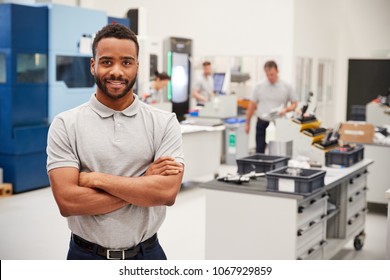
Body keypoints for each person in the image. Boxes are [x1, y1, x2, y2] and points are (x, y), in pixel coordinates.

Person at [46, 23, 185, 260]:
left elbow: (166, 193)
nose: (117, 72)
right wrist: (143, 183)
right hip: (86, 256)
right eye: (107, 61)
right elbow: (68, 201)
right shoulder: (66, 124)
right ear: (93, 65)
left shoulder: (164, 122)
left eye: (127, 62)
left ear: (137, 67)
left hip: (147, 254)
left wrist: (96, 179)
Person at [245, 60, 298, 153]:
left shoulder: (286, 86)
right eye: (267, 74)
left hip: (279, 124)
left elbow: (295, 103)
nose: (270, 77)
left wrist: (286, 110)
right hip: (262, 123)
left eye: (272, 74)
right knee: (259, 151)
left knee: (277, 152)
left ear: (277, 71)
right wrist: (247, 123)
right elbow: (252, 106)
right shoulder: (259, 86)